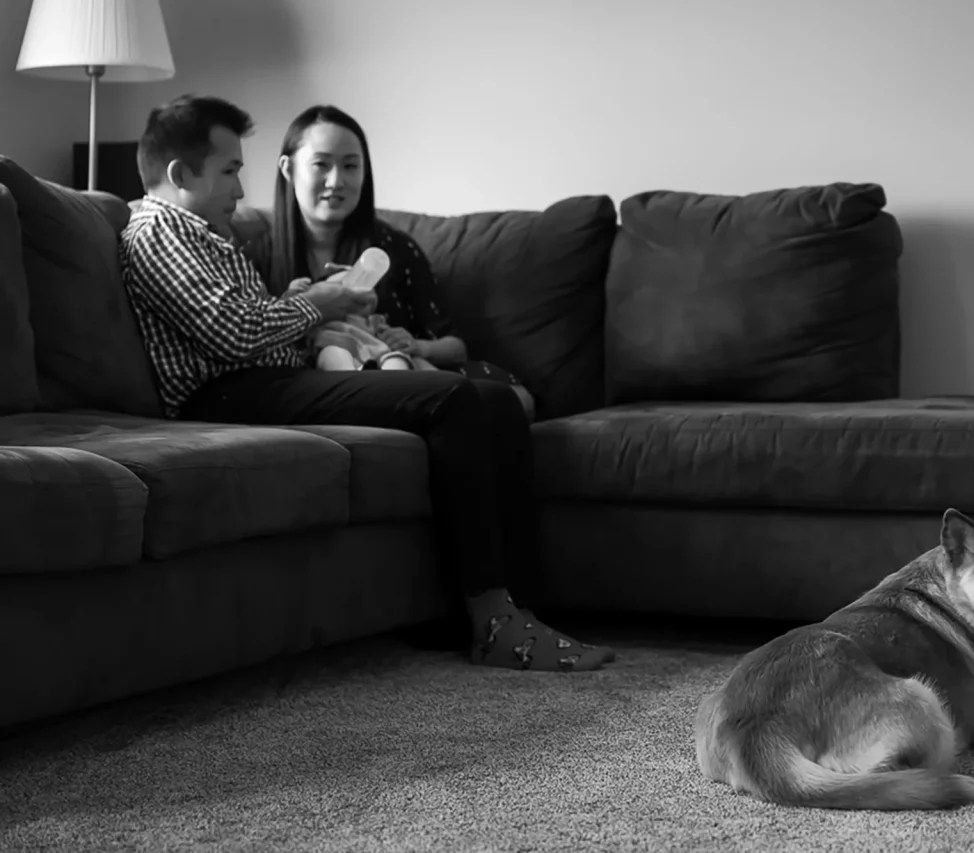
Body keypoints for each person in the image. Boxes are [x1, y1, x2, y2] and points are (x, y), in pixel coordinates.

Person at [119, 93, 614, 673]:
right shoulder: (159, 231)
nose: (239, 189)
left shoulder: (203, 232)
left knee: (491, 400)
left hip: (264, 379)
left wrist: (305, 302)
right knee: (458, 400)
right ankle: (493, 619)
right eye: (230, 171)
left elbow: (244, 319)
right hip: (230, 394)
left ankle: (515, 611)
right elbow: (233, 333)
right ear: (180, 174)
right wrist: (320, 303)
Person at [267, 104, 536, 420]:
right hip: (315, 387)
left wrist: (418, 347)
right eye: (321, 164)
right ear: (288, 169)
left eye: (351, 166)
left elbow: (454, 346)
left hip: (400, 377)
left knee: (516, 400)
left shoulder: (394, 248)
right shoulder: (256, 253)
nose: (336, 180)